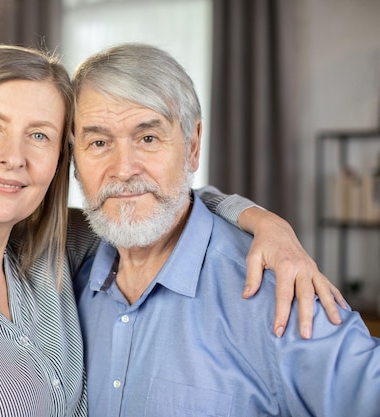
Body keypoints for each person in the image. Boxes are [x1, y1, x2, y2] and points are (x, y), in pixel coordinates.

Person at [0, 44, 340, 417]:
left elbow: (149, 197)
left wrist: (265, 224)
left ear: (63, 160)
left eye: (40, 135)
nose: (13, 158)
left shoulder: (56, 252)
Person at [70, 42, 380, 417]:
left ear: (193, 145)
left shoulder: (276, 294)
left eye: (148, 138)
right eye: (99, 142)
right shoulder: (68, 278)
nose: (123, 169)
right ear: (74, 159)